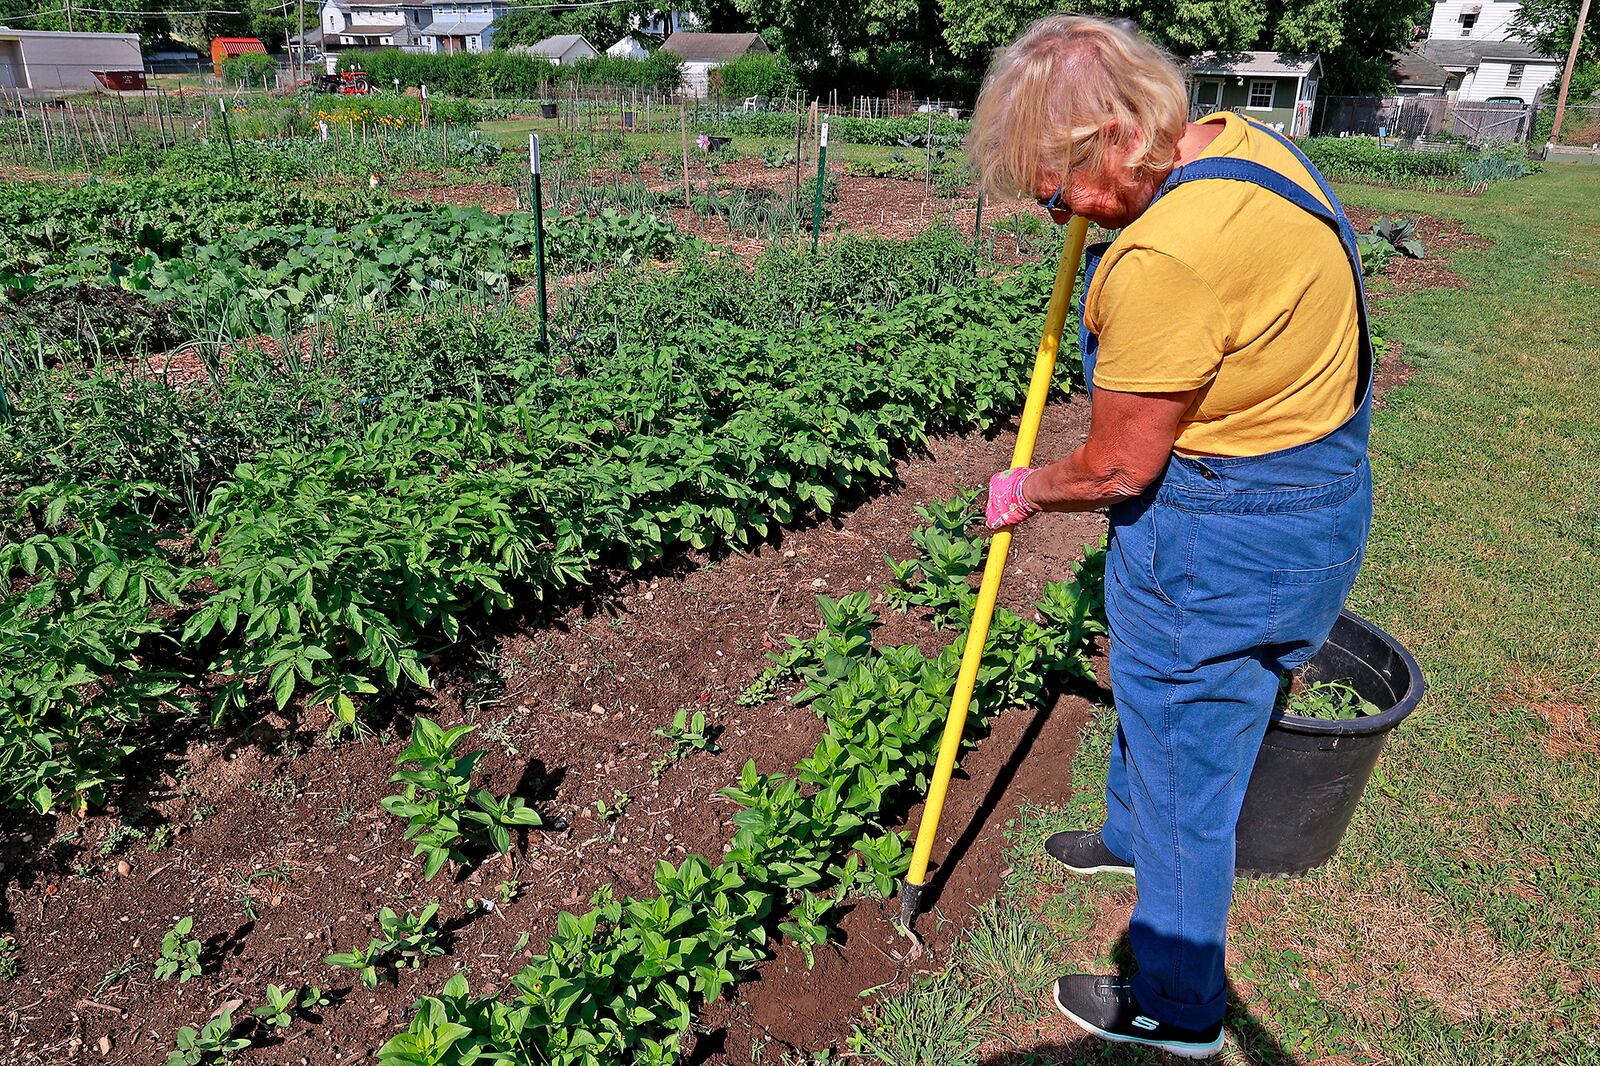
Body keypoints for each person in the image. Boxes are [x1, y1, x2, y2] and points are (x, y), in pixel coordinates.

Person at [970, 15, 1373, 1060]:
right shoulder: (1247, 147)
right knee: (1162, 696)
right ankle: (1123, 836)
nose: (1052, 213)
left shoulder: (1167, 259)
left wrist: (1027, 486)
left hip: (1222, 527)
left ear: (1111, 140)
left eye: (1053, 192)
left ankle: (1177, 1001)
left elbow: (1114, 467)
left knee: (1192, 764)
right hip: (1314, 497)